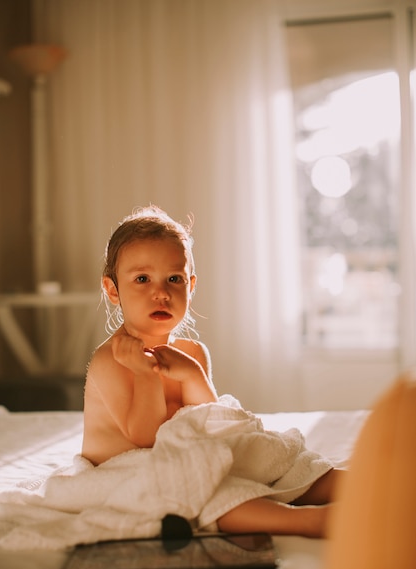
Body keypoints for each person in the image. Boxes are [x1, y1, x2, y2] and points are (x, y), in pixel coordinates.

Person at [82, 205, 342, 538]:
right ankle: (311, 522)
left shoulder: (191, 354)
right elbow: (144, 438)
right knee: (209, 492)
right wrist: (146, 374)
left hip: (183, 459)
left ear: (190, 286)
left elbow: (211, 423)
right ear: (113, 290)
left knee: (282, 466)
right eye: (142, 279)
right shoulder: (111, 361)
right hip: (127, 471)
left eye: (173, 279)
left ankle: (371, 485)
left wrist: (194, 377)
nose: (160, 292)